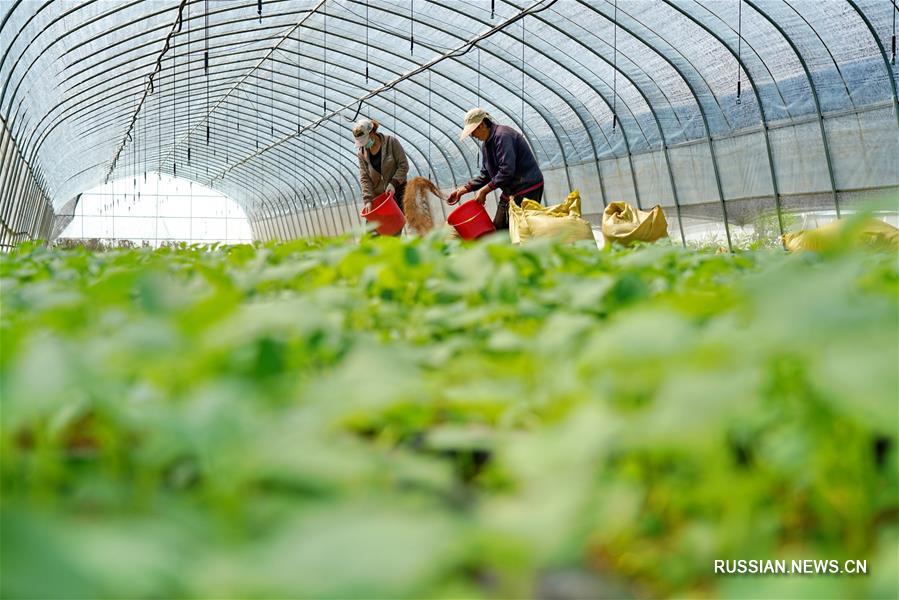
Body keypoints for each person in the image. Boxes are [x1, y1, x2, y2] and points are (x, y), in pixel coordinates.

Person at [447, 108, 544, 229]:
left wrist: (484, 190)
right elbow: (486, 174)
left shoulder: (503, 136)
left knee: (521, 229)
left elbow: (507, 170)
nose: (472, 135)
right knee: (499, 227)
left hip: (527, 187)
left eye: (473, 131)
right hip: (511, 190)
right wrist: (464, 189)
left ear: (481, 125)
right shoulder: (487, 144)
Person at [353, 118, 409, 213]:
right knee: (372, 226)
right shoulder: (362, 154)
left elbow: (403, 165)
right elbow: (365, 178)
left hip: (398, 193)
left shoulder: (391, 142)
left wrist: (393, 183)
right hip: (379, 197)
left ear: (372, 133)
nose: (364, 145)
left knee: (394, 224)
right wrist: (368, 200)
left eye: (365, 141)